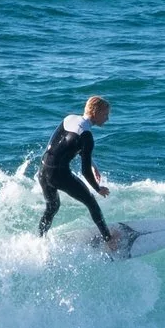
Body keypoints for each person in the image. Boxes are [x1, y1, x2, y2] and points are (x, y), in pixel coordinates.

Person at [37, 96, 113, 243]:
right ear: (96, 112)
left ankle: (39, 240)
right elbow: (85, 171)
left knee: (52, 207)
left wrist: (93, 164)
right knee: (91, 202)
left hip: (43, 170)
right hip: (59, 175)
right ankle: (109, 240)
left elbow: (65, 146)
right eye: (105, 114)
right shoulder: (87, 136)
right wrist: (98, 189)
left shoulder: (70, 119)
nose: (107, 118)